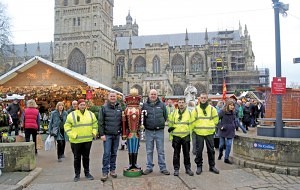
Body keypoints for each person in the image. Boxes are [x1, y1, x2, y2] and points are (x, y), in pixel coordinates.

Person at [64, 99, 98, 182]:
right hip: (76, 141)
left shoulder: (90, 114)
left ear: (86, 105)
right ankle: (77, 174)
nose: (82, 106)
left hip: (87, 140)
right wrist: (72, 135)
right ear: (77, 106)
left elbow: (95, 124)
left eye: (84, 105)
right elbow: (67, 126)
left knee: (86, 158)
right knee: (77, 158)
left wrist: (94, 133)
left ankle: (87, 173)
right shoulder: (72, 115)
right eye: (81, 105)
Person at [142, 89, 170, 175]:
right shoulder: (145, 105)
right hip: (149, 131)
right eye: (151, 94)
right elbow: (142, 117)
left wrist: (160, 123)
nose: (153, 96)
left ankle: (163, 167)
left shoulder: (162, 105)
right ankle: (149, 167)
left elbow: (165, 116)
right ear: (148, 95)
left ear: (157, 95)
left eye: (154, 94)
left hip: (159, 131)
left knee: (160, 150)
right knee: (149, 150)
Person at [191, 93, 220, 175]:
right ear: (199, 99)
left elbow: (216, 120)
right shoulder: (196, 109)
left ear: (207, 99)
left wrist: (211, 126)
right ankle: (199, 166)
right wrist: (194, 129)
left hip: (209, 133)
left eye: (205, 98)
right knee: (199, 151)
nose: (203, 99)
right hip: (199, 133)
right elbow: (192, 120)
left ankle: (212, 166)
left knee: (211, 150)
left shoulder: (212, 109)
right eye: (202, 98)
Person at [98, 92, 123, 181]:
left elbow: (121, 121)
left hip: (116, 134)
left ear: (116, 98)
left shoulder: (119, 108)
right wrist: (102, 134)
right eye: (111, 96)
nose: (112, 98)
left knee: (114, 153)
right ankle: (105, 172)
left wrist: (122, 133)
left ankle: (112, 170)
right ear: (108, 98)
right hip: (107, 135)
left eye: (114, 96)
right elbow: (100, 122)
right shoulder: (104, 108)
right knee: (106, 153)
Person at [168, 98, 194, 176]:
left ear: (185, 104)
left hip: (185, 136)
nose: (181, 104)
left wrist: (190, 134)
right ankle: (176, 169)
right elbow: (170, 123)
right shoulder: (174, 113)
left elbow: (192, 124)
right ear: (177, 103)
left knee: (187, 154)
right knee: (176, 154)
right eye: (180, 102)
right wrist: (170, 131)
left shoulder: (189, 113)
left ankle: (188, 168)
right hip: (176, 136)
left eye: (183, 102)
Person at [217, 100, 237, 164]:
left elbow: (235, 120)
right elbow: (216, 120)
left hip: (231, 130)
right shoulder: (222, 112)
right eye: (231, 105)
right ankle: (220, 153)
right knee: (221, 145)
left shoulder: (233, 112)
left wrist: (235, 126)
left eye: (233, 105)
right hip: (223, 130)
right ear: (227, 105)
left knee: (229, 144)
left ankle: (226, 158)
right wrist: (220, 126)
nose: (232, 107)